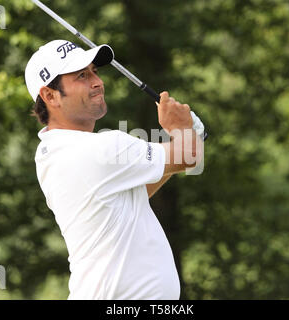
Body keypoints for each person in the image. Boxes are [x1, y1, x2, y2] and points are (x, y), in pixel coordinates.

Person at [24, 39, 204, 299]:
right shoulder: (105, 148)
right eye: (82, 75)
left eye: (95, 71)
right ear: (50, 95)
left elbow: (135, 193)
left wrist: (187, 133)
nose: (97, 82)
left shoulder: (50, 153)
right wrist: (181, 127)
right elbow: (189, 155)